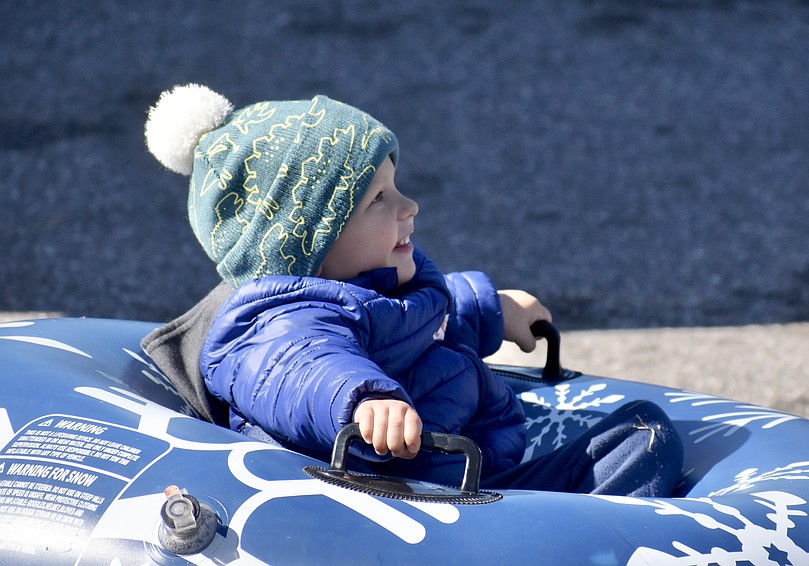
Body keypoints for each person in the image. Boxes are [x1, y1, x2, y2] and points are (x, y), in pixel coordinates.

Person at [143, 84, 683, 496]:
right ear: (311, 243)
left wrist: (492, 309)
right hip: (412, 498)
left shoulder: (370, 284)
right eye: (379, 199)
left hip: (470, 462)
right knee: (642, 447)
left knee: (641, 434)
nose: (409, 206)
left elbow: (422, 319)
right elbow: (301, 367)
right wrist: (363, 398)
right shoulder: (280, 324)